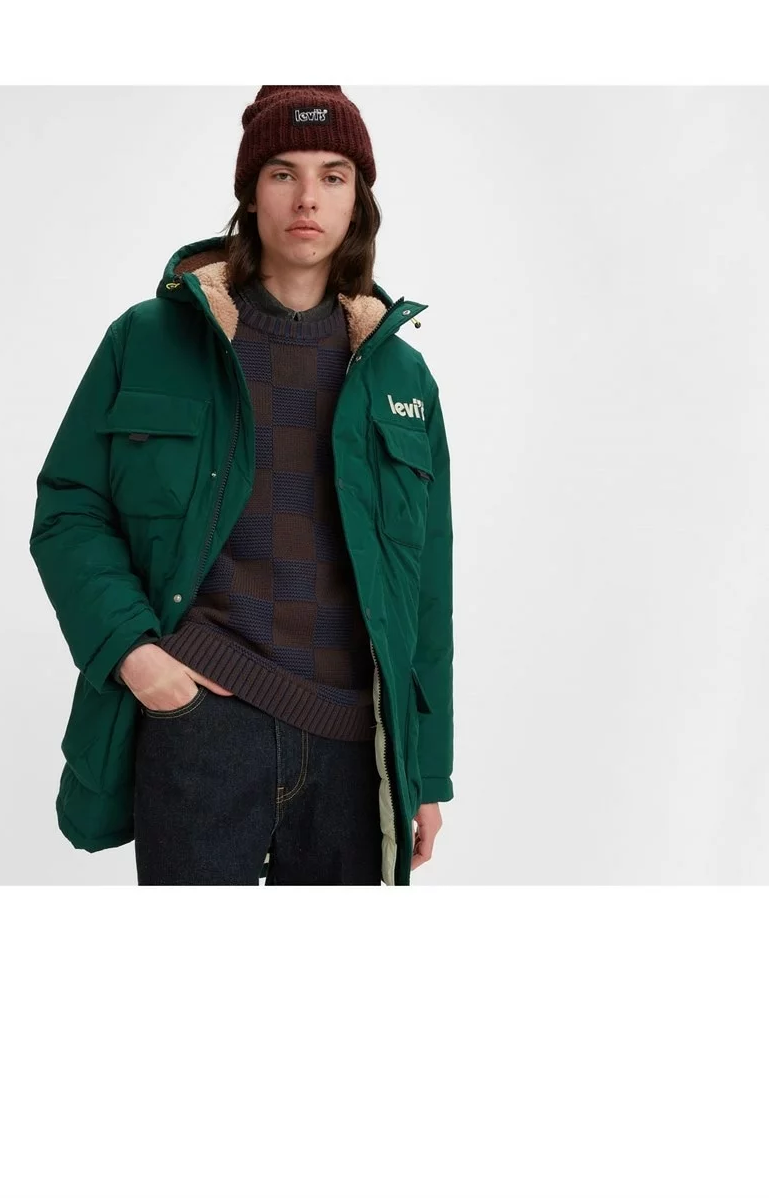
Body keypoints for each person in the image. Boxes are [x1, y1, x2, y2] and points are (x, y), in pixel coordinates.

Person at [29, 85, 453, 885]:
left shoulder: (402, 376)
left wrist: (425, 771)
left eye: (332, 176)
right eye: (282, 172)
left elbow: (426, 586)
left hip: (353, 751)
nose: (306, 198)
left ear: (357, 199)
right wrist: (136, 656)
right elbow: (70, 509)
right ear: (250, 193)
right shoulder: (148, 339)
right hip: (204, 729)